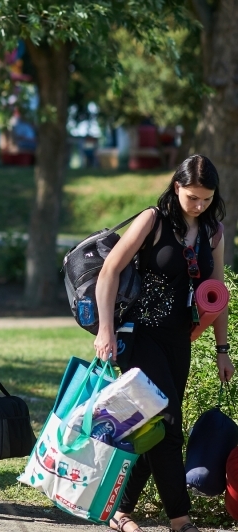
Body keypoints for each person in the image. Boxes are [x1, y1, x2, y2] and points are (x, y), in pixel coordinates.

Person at [94, 155, 235, 532]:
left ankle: (118, 510)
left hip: (179, 341)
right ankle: (180, 518)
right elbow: (109, 272)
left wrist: (223, 351)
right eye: (192, 197)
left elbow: (216, 294)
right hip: (139, 336)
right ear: (177, 188)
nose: (200, 205)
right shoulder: (152, 220)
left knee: (151, 425)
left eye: (206, 198)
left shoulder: (213, 232)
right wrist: (105, 329)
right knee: (168, 421)